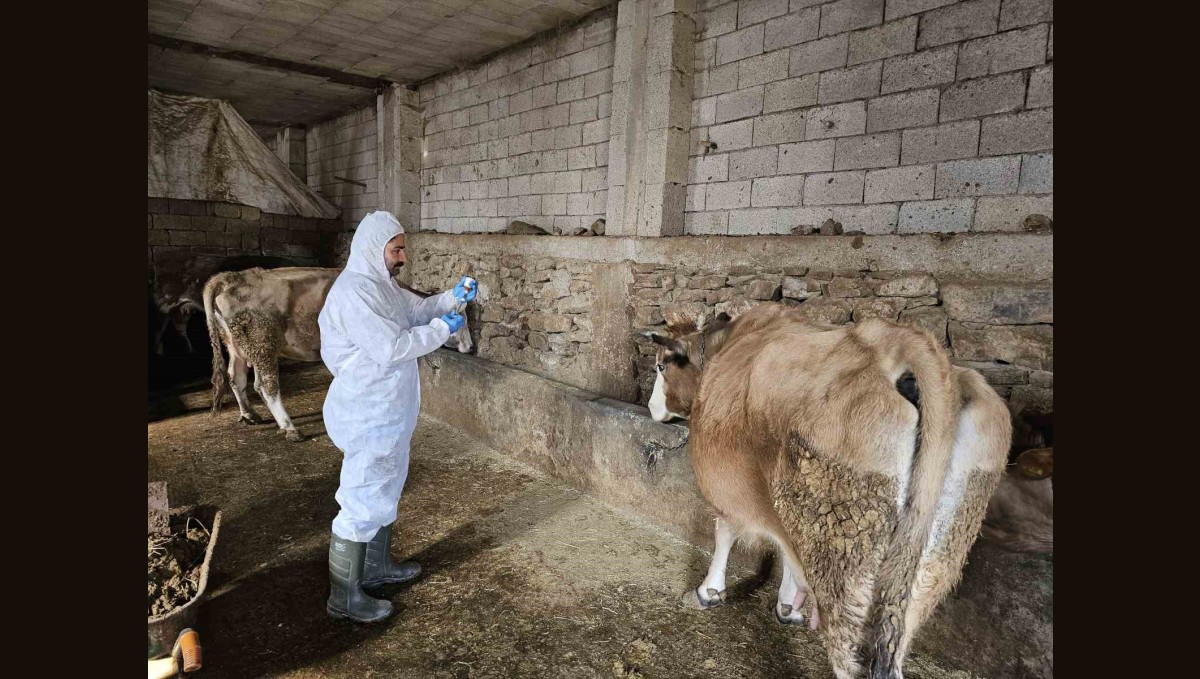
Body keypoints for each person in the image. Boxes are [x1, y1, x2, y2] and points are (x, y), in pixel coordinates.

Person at [317, 211, 476, 622]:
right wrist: (443, 330)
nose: (403, 256)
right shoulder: (355, 293)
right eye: (397, 248)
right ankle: (344, 595)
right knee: (362, 497)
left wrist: (453, 297)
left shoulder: (381, 286)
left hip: (388, 410)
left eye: (402, 247)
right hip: (367, 411)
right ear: (374, 248)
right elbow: (392, 347)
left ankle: (376, 567)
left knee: (385, 489)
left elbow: (419, 311)